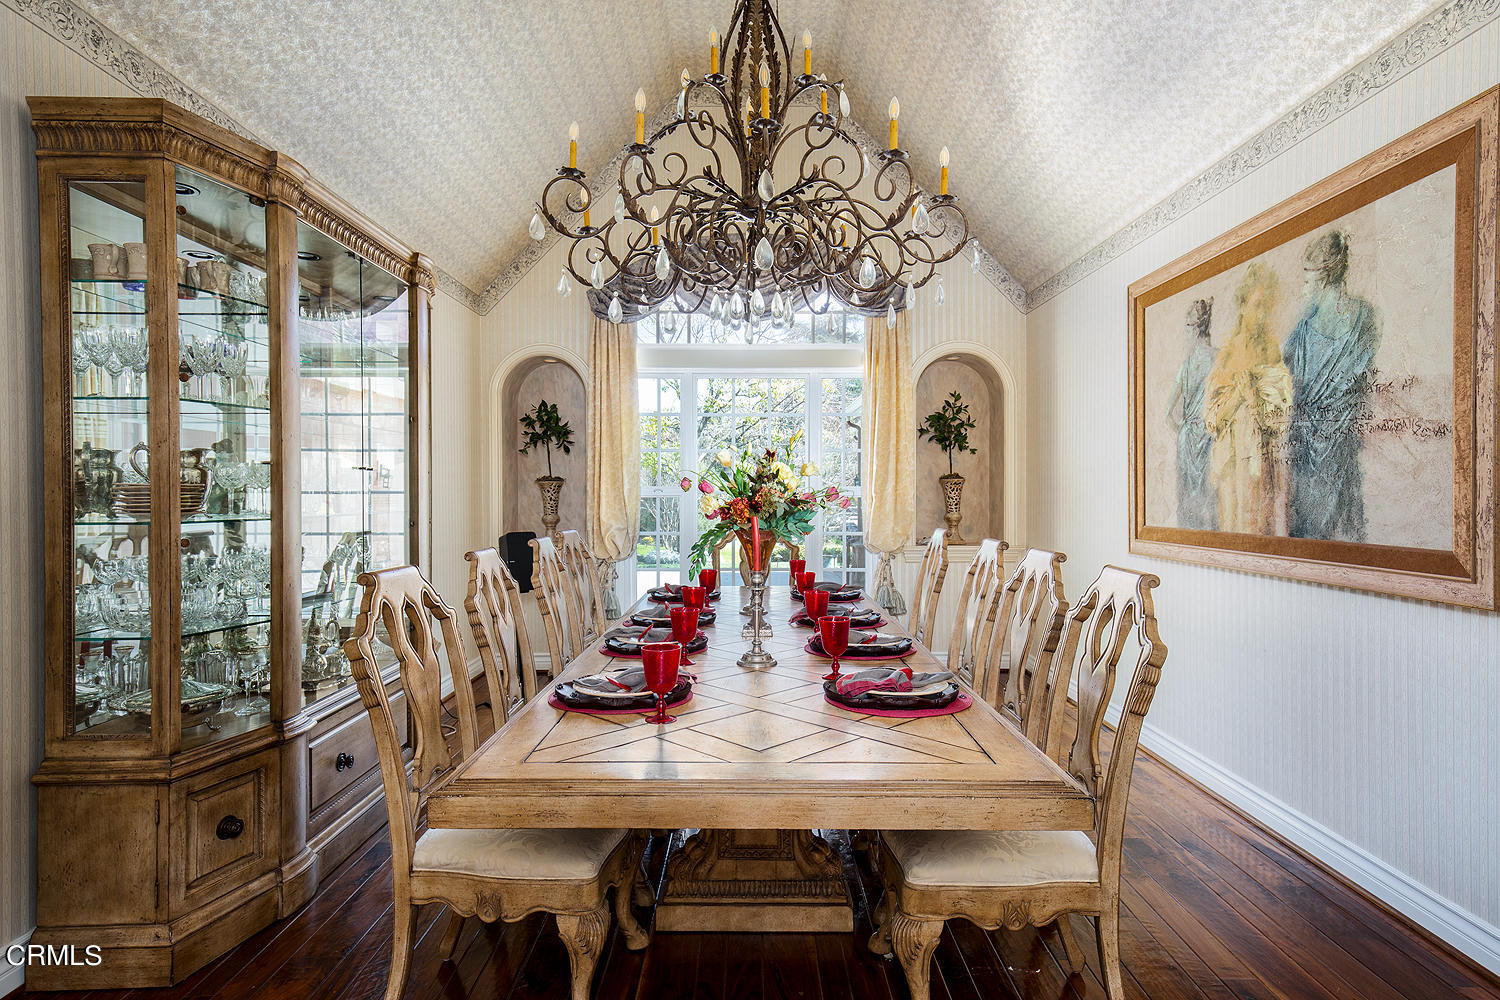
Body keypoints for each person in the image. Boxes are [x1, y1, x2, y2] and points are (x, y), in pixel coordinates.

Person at [1283, 230, 1380, 542]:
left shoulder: (1303, 330)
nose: (1303, 289)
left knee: (1315, 532)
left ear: (1322, 279)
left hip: (1319, 442)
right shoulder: (1365, 315)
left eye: (1306, 282)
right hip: (1340, 438)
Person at [1204, 264, 1292, 534]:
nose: (1262, 314)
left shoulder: (1271, 350)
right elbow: (1213, 420)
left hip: (1261, 460)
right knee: (1235, 527)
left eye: (1267, 307)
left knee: (1261, 527)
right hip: (1232, 465)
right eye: (1257, 305)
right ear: (1243, 306)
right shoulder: (1227, 354)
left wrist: (1253, 397)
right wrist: (1239, 395)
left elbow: (1279, 418)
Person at [1165, 298, 1218, 530]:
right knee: (1209, 496)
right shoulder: (1219, 358)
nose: (1186, 334)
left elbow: (1167, 413)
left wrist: (1183, 430)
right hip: (1208, 435)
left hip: (1188, 438)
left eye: (1187, 328)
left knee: (1189, 499)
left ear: (1195, 329)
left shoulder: (1186, 366)